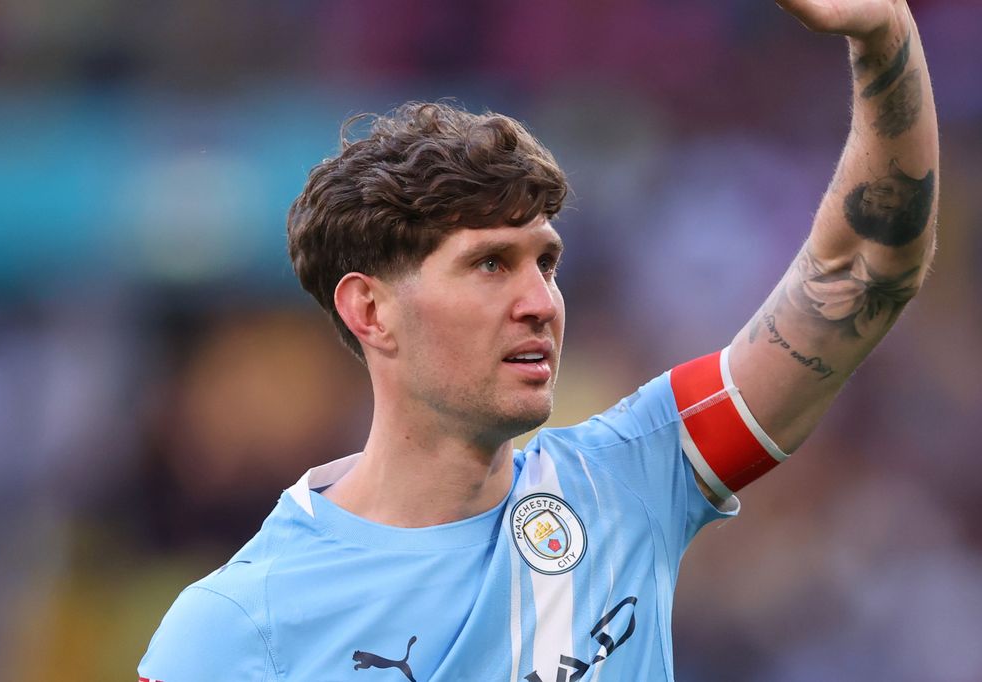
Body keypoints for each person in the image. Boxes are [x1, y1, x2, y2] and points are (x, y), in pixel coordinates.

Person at [138, 1, 939, 679]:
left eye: (546, 263)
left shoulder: (630, 477)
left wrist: (883, 34)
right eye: (489, 265)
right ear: (370, 311)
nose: (540, 303)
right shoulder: (236, 627)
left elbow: (863, 271)